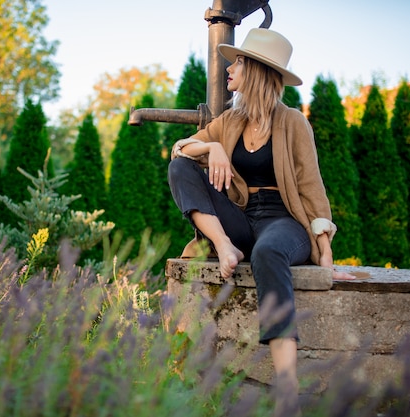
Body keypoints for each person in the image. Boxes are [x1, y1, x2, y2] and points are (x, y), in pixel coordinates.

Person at [167, 28, 356, 414]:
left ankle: (286, 386)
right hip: (238, 223)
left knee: (270, 252)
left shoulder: (293, 123)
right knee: (181, 169)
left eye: (237, 62)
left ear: (254, 69)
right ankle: (224, 246)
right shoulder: (230, 121)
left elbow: (311, 189)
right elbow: (180, 149)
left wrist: (325, 253)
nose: (229, 68)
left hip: (284, 222)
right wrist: (213, 146)